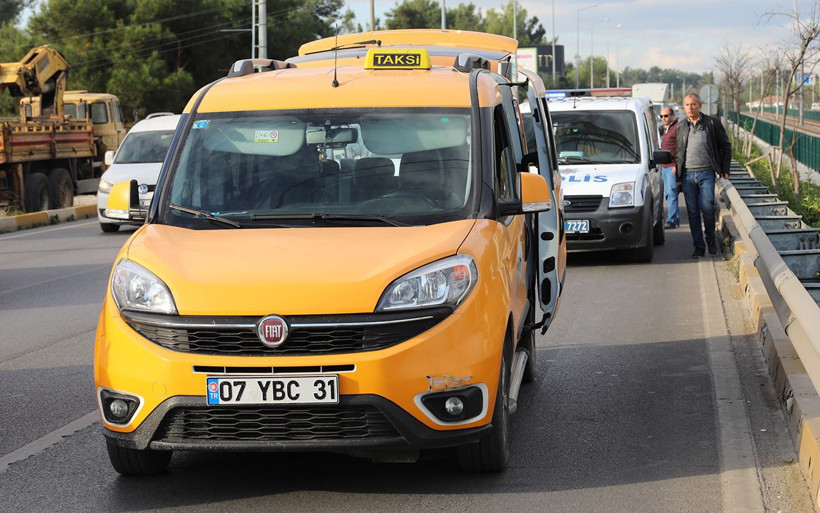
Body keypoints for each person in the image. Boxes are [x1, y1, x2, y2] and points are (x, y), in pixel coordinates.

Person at [676, 93, 731, 258]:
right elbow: (678, 152)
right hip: (687, 175)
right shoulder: (681, 126)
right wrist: (677, 175)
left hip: (707, 173)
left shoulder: (712, 124)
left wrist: (724, 168)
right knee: (692, 212)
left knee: (707, 207)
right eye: (687, 105)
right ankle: (698, 246)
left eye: (693, 104)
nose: (690, 108)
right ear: (684, 107)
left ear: (700, 105)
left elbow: (725, 146)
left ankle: (711, 239)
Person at [659, 107, 679, 229]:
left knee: (672, 193)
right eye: (661, 116)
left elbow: (680, 148)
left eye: (666, 116)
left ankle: (672, 220)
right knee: (666, 193)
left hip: (671, 166)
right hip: (664, 166)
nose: (663, 118)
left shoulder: (676, 128)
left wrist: (676, 165)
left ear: (672, 116)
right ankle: (674, 218)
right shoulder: (665, 129)